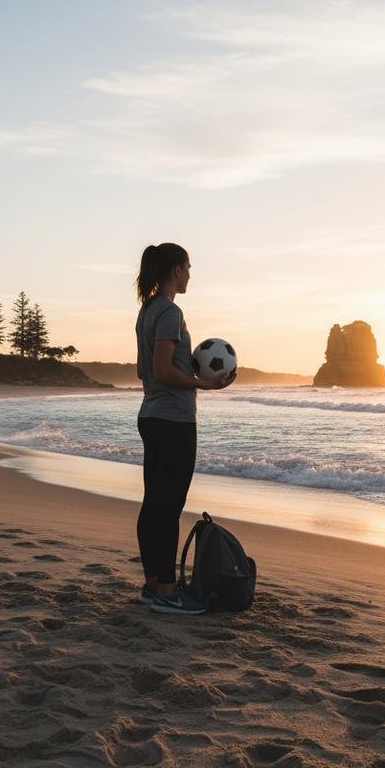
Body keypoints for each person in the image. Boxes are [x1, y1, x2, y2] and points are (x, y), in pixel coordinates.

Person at [134, 243, 235, 614]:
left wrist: (187, 371)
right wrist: (202, 383)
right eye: (188, 267)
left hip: (152, 415)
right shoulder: (170, 311)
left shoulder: (147, 310)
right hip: (173, 421)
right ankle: (166, 590)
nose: (190, 274)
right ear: (175, 270)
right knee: (168, 509)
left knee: (154, 505)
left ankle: (152, 586)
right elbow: (161, 371)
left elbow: (144, 370)